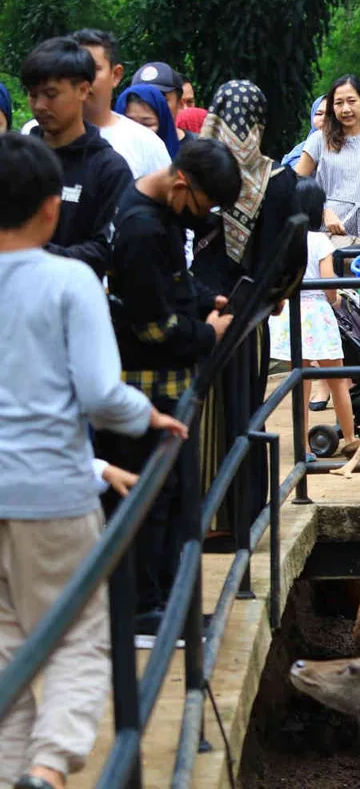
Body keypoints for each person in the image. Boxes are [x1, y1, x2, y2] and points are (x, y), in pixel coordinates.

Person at [0, 131, 188, 789]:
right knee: (81, 632)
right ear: (53, 208)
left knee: (4, 651)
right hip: (51, 492)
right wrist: (147, 416)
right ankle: (49, 769)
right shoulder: (68, 279)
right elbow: (103, 396)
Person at [95, 138, 242, 632]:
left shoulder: (158, 213)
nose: (203, 216)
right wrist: (209, 332)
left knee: (170, 499)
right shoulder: (140, 227)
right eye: (204, 206)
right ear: (183, 183)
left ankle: (162, 603)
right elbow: (154, 324)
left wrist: (206, 299)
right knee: (148, 502)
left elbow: (171, 285)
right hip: (145, 386)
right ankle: (142, 610)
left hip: (163, 383)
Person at [191, 80, 302, 536]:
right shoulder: (280, 181)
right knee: (244, 414)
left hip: (200, 312)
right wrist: (276, 296)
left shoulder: (197, 172)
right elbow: (292, 253)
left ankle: (202, 517)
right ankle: (242, 518)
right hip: (251, 316)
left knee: (200, 413)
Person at [21, 36, 132, 280]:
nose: (39, 105)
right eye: (32, 95)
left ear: (83, 90)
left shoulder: (109, 169)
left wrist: (32, 253)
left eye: (51, 95)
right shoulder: (17, 158)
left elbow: (105, 251)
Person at [268, 177, 359, 460]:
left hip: (292, 314)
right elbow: (329, 283)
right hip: (317, 316)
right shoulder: (320, 241)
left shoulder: (283, 238)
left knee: (301, 382)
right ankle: (352, 439)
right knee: (337, 379)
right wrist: (337, 300)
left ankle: (302, 447)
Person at [296, 75, 360, 242]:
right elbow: (296, 182)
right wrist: (323, 211)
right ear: (332, 107)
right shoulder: (318, 140)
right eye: (339, 103)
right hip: (323, 233)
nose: (345, 109)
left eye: (351, 101)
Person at [68, 30, 171, 180]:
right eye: (74, 69)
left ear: (116, 75)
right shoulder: (37, 134)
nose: (83, 79)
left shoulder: (147, 144)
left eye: (92, 69)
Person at [115, 84, 180, 159]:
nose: (138, 131)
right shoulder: (104, 162)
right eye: (130, 123)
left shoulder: (181, 165)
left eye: (147, 124)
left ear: (163, 125)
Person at [131, 61, 187, 145]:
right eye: (140, 99)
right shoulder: (120, 147)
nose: (150, 105)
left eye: (160, 99)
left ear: (180, 104)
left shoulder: (197, 151)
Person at [282, 96, 325, 169]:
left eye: (331, 114)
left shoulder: (348, 149)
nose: (324, 118)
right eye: (319, 114)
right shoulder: (299, 152)